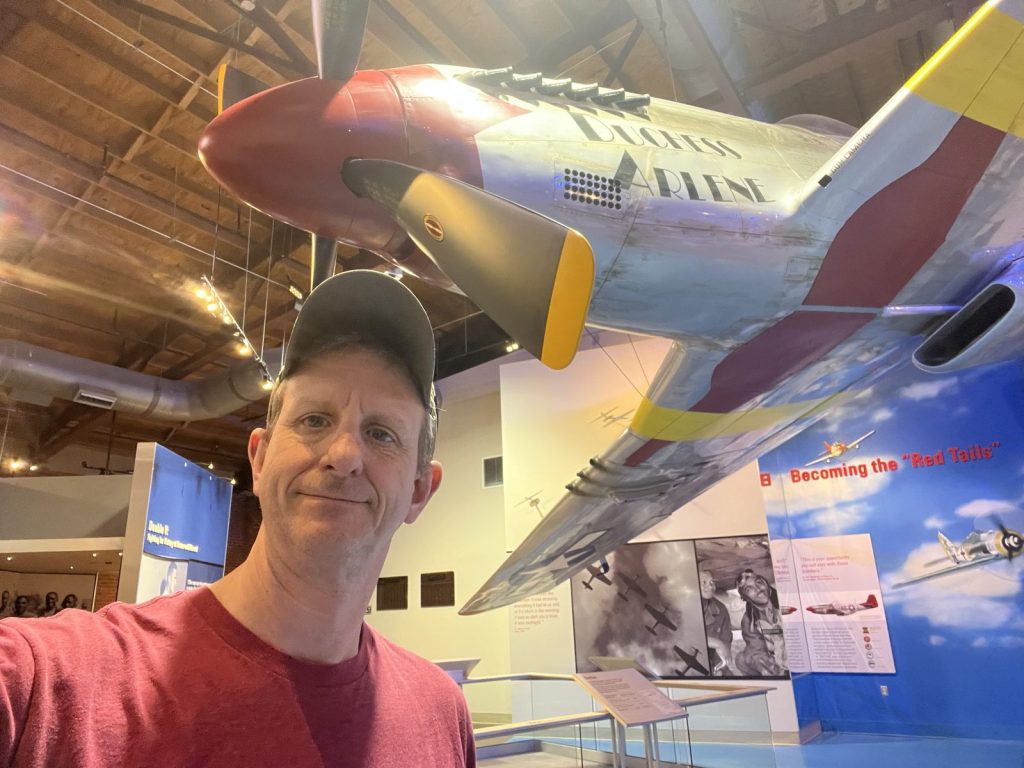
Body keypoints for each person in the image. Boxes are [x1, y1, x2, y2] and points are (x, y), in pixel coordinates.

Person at [0, 270, 476, 767]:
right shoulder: (48, 685)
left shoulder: (442, 712)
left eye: (381, 433)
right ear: (260, 458)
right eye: (314, 419)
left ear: (421, 490)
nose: (343, 454)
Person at [733, 568, 787, 677]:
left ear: (766, 583)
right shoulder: (749, 620)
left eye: (758, 582)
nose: (758, 589)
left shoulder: (786, 602)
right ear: (745, 598)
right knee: (741, 659)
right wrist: (770, 668)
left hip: (797, 656)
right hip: (776, 659)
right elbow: (756, 649)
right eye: (749, 589)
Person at [698, 569, 735, 676]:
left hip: (711, 662)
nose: (710, 587)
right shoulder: (681, 606)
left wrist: (721, 666)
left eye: (711, 582)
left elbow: (726, 641)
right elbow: (680, 637)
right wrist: (716, 643)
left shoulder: (721, 609)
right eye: (703, 582)